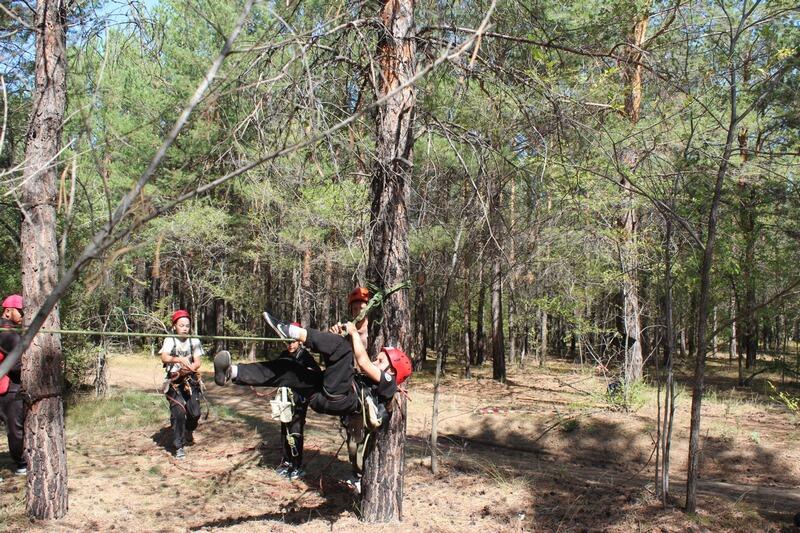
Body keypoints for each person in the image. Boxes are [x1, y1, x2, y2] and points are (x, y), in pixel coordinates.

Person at [214, 311, 412, 419]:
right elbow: (350, 368)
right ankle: (232, 372)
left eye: (381, 360)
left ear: (393, 371)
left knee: (343, 349)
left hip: (339, 398)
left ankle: (291, 331)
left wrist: (352, 334)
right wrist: (332, 338)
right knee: (289, 370)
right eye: (378, 358)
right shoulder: (375, 381)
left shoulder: (389, 382)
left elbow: (363, 362)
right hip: (323, 396)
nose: (376, 360)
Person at [273, 323, 320, 481]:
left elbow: (316, 374)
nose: (290, 344)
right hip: (285, 398)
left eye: (293, 341)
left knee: (296, 430)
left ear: (299, 341)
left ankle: (297, 464)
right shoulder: (283, 355)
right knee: (284, 428)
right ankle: (286, 461)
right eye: (287, 341)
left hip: (299, 399)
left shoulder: (305, 357)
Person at [159, 310, 203, 459]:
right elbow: (164, 357)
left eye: (187, 325)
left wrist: (190, 368)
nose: (184, 328)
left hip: (190, 380)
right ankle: (179, 447)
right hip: (174, 382)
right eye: (181, 325)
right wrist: (179, 360)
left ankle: (189, 430)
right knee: (179, 413)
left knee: (195, 413)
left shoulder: (194, 341)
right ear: (175, 326)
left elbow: (198, 361)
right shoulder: (170, 340)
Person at [0, 294, 26, 476]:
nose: (24, 316)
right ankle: (22, 464)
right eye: (21, 312)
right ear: (8, 311)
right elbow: (18, 367)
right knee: (15, 428)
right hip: (7, 388)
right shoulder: (9, 335)